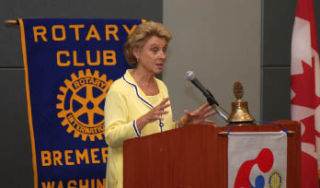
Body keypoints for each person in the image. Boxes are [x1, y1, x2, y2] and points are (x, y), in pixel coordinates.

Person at [104, 21, 216, 188]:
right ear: (136, 52)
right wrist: (143, 120)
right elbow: (111, 137)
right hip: (128, 177)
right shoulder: (119, 89)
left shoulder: (161, 87)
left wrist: (182, 125)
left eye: (164, 50)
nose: (162, 56)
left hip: (159, 174)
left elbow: (161, 132)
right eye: (155, 50)